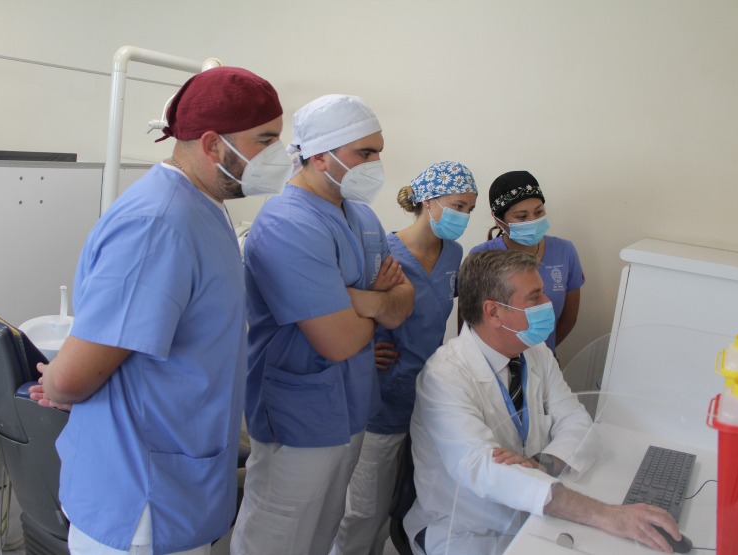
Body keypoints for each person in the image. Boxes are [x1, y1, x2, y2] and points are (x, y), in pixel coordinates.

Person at [30, 67, 291, 554]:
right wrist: (61, 384)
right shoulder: (159, 225)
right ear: (212, 144)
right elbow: (73, 378)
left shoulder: (202, 205)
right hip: (140, 499)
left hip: (176, 475)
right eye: (266, 140)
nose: (280, 154)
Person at [403, 250, 684, 554]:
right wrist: (606, 515)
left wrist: (541, 463)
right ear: (494, 312)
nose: (548, 303)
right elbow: (485, 469)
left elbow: (577, 423)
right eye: (534, 297)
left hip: (531, 515)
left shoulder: (535, 353)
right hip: (466, 531)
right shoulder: (444, 375)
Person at [231, 94, 415, 555]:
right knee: (276, 538)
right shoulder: (287, 223)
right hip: (299, 415)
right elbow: (339, 341)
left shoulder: (362, 215)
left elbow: (403, 302)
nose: (375, 164)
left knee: (321, 533)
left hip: (351, 408)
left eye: (378, 152)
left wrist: (355, 301)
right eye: (364, 153)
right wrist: (376, 304)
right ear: (318, 156)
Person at [330, 161, 479, 554]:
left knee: (402, 499)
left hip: (427, 393)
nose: (464, 216)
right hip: (382, 394)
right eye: (458, 206)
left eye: (470, 209)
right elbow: (342, 307)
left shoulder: (453, 254)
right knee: (364, 506)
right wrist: (363, 349)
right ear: (428, 201)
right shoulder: (383, 252)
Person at [469, 171, 583, 355]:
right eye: (521, 216)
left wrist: (539, 356)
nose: (533, 221)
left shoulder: (565, 251)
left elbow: (569, 318)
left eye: (538, 212)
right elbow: (470, 323)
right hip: (493, 363)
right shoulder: (481, 256)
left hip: (545, 360)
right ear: (499, 221)